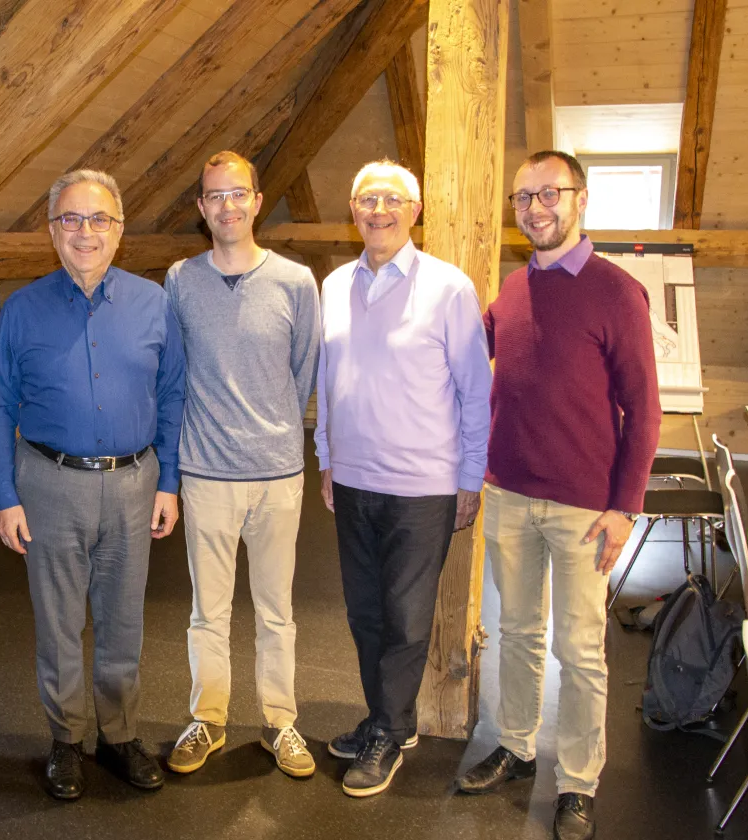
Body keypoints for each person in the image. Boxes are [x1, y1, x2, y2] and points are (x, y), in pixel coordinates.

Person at [454, 150, 661, 840]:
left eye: (549, 194)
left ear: (581, 200)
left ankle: (577, 781)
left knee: (580, 650)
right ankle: (514, 745)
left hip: (584, 508)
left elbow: (645, 410)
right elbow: (459, 352)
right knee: (517, 631)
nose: (535, 208)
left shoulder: (617, 292)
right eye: (523, 198)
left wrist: (623, 506)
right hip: (508, 494)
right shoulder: (512, 290)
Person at [0, 169, 186, 801]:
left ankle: (118, 736)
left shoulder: (154, 305)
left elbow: (173, 396)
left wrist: (168, 481)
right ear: (51, 231)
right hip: (48, 484)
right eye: (71, 219)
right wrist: (5, 495)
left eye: (98, 219)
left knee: (123, 622)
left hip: (133, 483)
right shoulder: (24, 309)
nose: (84, 232)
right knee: (59, 622)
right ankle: (66, 739)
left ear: (119, 231)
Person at [315, 160, 492, 798]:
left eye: (392, 200)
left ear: (414, 212)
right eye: (367, 200)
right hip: (355, 480)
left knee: (406, 616)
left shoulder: (449, 288)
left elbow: (476, 392)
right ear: (354, 210)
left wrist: (470, 475)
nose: (379, 211)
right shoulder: (333, 285)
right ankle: (387, 718)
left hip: (424, 486)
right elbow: (327, 381)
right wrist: (327, 458)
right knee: (365, 613)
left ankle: (389, 733)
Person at [163, 151, 320, 779]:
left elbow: (303, 370)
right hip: (205, 473)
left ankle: (281, 722)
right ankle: (209, 717)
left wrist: (277, 434)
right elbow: (174, 374)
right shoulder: (180, 278)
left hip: (278, 475)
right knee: (209, 610)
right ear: (202, 209)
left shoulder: (295, 281)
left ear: (257, 201)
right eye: (214, 197)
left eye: (237, 194)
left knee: (276, 609)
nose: (226, 206)